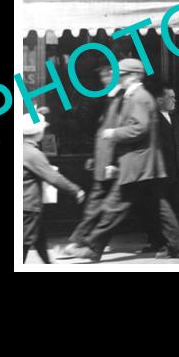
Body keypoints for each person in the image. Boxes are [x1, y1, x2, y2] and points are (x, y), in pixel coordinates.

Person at [74, 60, 179, 262]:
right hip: (145, 165)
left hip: (137, 164)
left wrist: (113, 133)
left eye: (123, 75)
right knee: (159, 206)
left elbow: (139, 128)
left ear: (134, 76)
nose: (119, 79)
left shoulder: (138, 97)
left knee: (114, 206)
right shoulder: (133, 96)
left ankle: (93, 248)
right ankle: (178, 246)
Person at [59, 64, 123, 258]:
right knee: (101, 205)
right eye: (102, 74)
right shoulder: (108, 98)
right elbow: (102, 130)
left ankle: (83, 244)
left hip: (116, 163)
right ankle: (84, 244)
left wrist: (113, 162)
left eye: (109, 73)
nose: (104, 78)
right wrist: (96, 157)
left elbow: (120, 131)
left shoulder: (122, 98)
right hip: (105, 161)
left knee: (111, 206)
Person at [23, 112, 85, 263]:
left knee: (38, 236)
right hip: (28, 205)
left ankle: (48, 264)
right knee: (23, 243)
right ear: (37, 133)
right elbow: (53, 177)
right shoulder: (33, 153)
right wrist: (75, 190)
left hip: (26, 205)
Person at [142, 86, 179, 253]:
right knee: (158, 210)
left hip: (173, 171)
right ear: (160, 100)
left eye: (174, 97)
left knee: (169, 208)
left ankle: (164, 242)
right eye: (171, 97)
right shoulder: (154, 119)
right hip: (160, 172)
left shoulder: (174, 117)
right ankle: (160, 242)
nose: (174, 100)